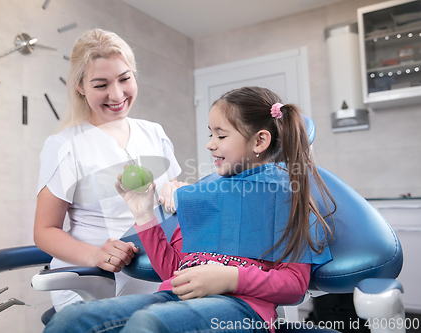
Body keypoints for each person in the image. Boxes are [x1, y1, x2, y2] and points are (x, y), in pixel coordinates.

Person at [42, 86, 336, 333]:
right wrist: (143, 213)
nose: (210, 144)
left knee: (149, 324)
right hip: (176, 297)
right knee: (71, 319)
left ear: (260, 140)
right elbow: (174, 269)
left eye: (221, 136)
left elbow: (294, 285)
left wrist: (229, 278)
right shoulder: (201, 198)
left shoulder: (287, 198)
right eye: (210, 134)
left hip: (243, 308)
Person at [33, 29, 182, 312]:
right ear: (80, 86)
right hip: (94, 283)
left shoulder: (154, 133)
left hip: (160, 273)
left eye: (125, 79)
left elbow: (169, 197)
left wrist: (176, 192)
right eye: (101, 85)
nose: (117, 94)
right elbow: (44, 231)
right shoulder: (65, 146)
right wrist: (95, 255)